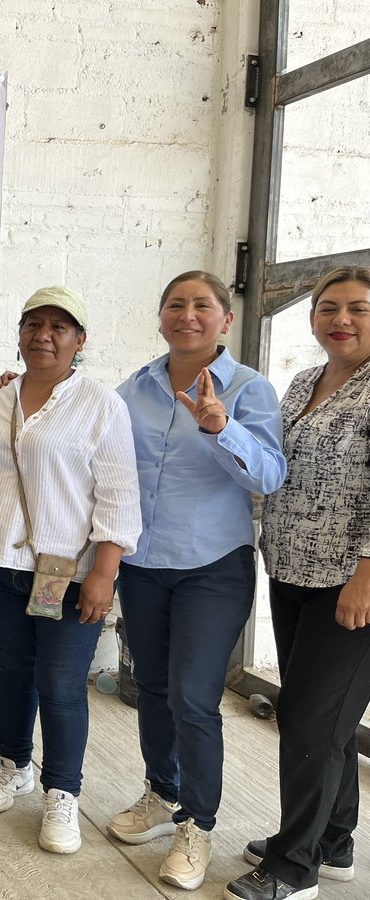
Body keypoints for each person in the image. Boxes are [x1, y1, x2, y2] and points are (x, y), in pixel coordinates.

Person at [105, 271, 286, 891]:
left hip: (213, 566)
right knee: (151, 687)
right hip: (144, 564)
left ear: (225, 320)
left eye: (201, 305)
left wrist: (220, 426)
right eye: (174, 304)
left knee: (192, 694)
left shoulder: (249, 389)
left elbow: (268, 477)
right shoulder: (136, 387)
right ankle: (162, 793)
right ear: (160, 318)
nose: (187, 315)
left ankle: (198, 824)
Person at [0, 286, 140, 855]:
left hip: (68, 570)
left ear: (79, 341)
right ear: (19, 334)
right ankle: (13, 761)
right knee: (14, 669)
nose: (43, 335)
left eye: (58, 327)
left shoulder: (100, 403)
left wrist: (105, 573)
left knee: (62, 685)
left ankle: (62, 791)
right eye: (32, 323)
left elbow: (118, 494)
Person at [226, 266, 370, 900]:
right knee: (324, 720)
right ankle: (331, 841)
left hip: (351, 582)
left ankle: (293, 869)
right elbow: (278, 465)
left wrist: (367, 575)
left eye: (358, 309)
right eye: (328, 308)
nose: (341, 320)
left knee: (310, 721)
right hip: (291, 571)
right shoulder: (308, 380)